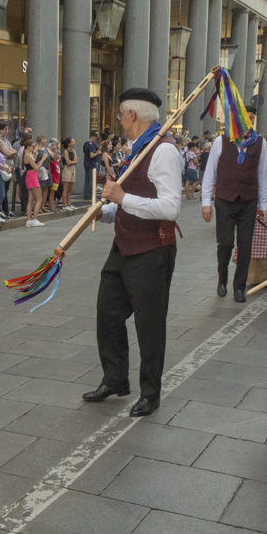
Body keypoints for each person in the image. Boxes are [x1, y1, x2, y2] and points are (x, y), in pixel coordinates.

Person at [82, 87, 182, 417]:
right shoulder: (137, 148)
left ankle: (150, 392)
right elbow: (131, 200)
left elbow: (169, 208)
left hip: (152, 249)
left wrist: (121, 198)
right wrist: (107, 210)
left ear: (132, 116)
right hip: (123, 245)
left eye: (122, 115)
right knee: (107, 313)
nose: (120, 121)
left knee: (149, 325)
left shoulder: (163, 150)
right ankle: (116, 379)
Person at [200, 109, 267, 303]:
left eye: (252, 119)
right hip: (225, 199)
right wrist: (206, 203)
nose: (248, 122)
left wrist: (264, 205)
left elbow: (263, 176)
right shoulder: (221, 141)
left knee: (245, 245)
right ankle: (222, 279)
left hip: (248, 200)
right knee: (226, 243)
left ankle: (239, 287)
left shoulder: (260, 143)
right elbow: (209, 175)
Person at [21, 136, 44, 227]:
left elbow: (33, 166)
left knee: (30, 200)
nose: (33, 148)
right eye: (32, 146)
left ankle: (29, 220)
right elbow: (36, 168)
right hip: (32, 177)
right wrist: (43, 159)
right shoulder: (28, 156)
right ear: (28, 147)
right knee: (39, 199)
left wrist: (37, 157)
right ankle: (34, 219)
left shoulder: (27, 156)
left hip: (29, 176)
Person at [60, 137, 79, 210]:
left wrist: (72, 162)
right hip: (67, 169)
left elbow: (76, 161)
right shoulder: (65, 151)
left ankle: (69, 203)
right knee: (66, 187)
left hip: (72, 169)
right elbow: (68, 162)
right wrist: (73, 162)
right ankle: (64, 204)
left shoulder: (74, 151)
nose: (74, 143)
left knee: (70, 188)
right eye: (73, 142)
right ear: (69, 144)